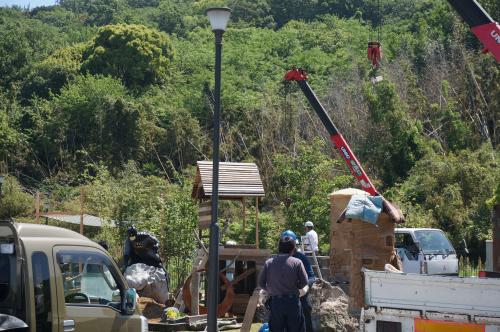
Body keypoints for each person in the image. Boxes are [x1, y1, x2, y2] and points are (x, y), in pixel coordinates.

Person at [259, 236, 308, 332]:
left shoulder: (269, 263)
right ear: (293, 250)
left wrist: (271, 290)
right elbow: (304, 282)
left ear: (279, 248)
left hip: (276, 303)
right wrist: (296, 288)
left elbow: (261, 283)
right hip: (293, 302)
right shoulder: (297, 262)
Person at [281, 230, 315, 332]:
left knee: (305, 310)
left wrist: (304, 289)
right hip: (283, 297)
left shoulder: (301, 258)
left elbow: (311, 277)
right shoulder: (277, 259)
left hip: (300, 296)